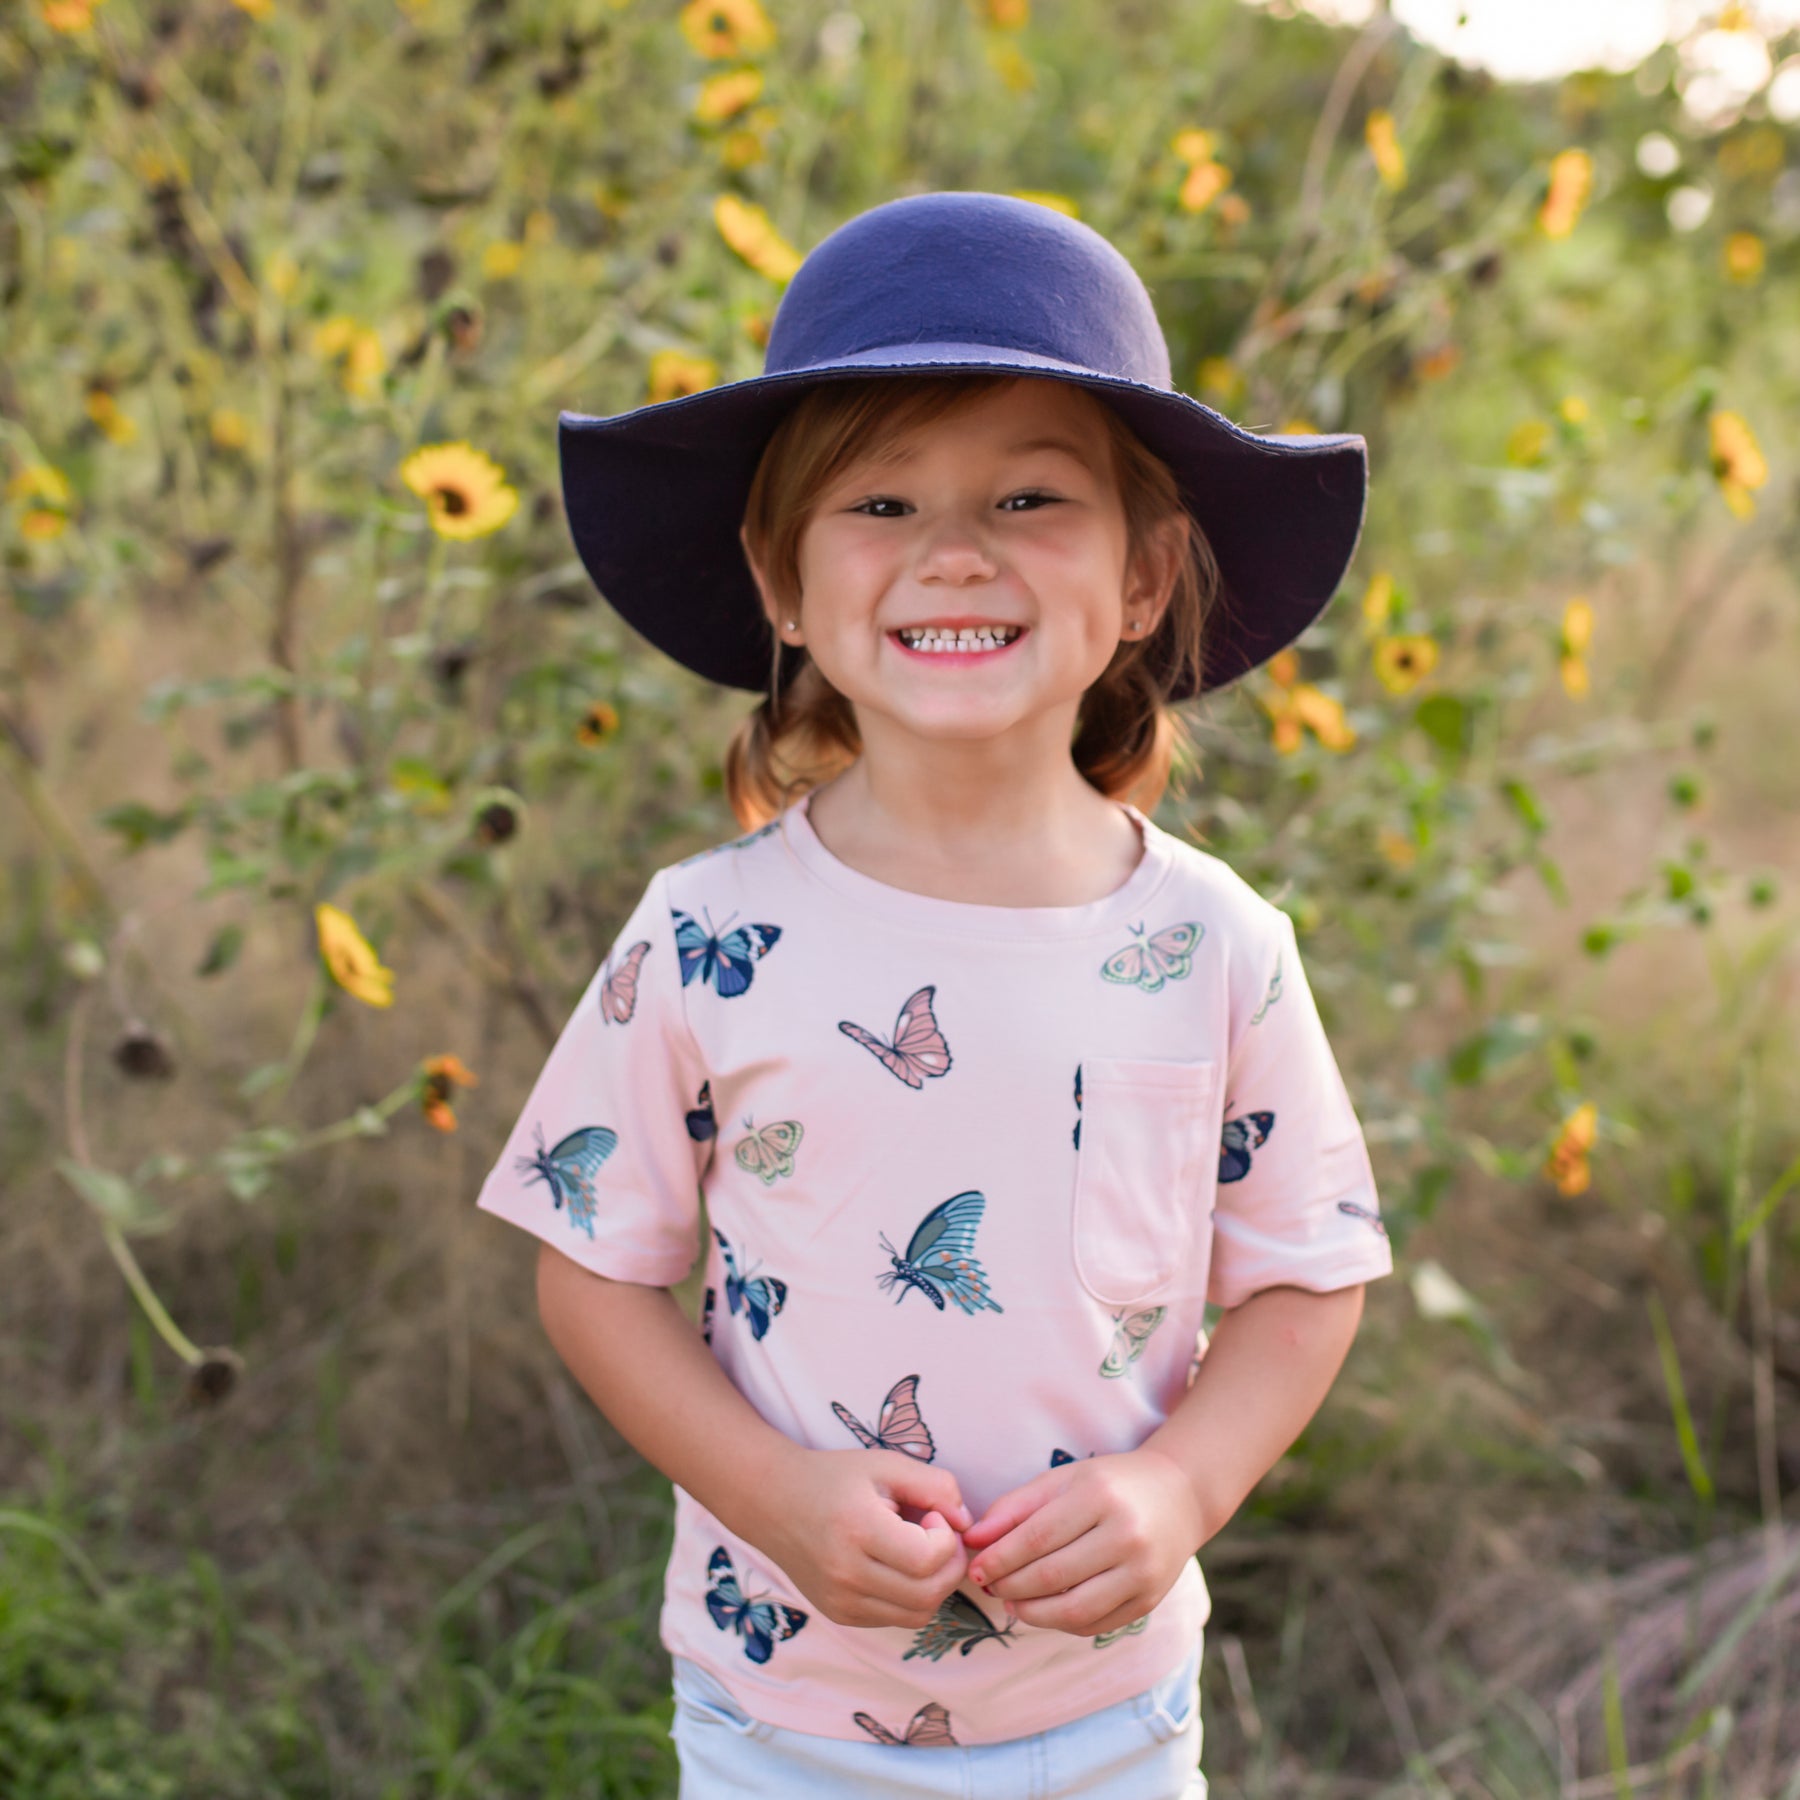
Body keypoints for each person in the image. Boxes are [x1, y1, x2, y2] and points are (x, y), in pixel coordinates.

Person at [475, 191, 1396, 1799]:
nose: (953, 554)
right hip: (785, 1724)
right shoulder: (706, 935)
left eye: (1031, 497)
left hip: (1107, 1719)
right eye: (881, 503)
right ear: (782, 580)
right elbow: (593, 1273)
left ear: (1143, 576)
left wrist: (1180, 1490)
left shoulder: (1217, 945)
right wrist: (773, 1495)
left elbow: (1308, 1279)